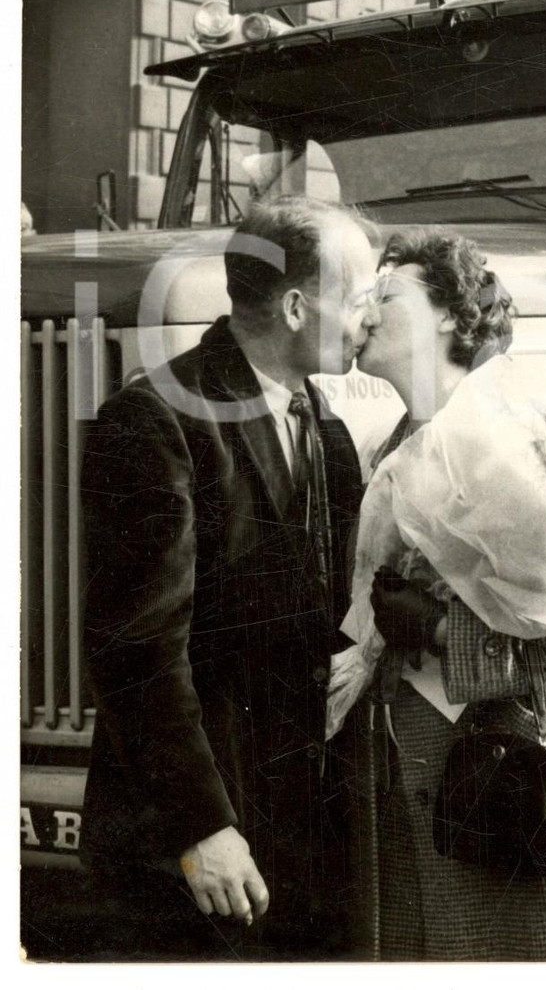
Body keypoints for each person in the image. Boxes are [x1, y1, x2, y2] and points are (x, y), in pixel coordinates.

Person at [347, 230, 546, 961]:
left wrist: (433, 633)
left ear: (454, 319)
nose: (366, 311)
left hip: (521, 810)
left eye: (388, 294)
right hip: (436, 815)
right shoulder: (393, 446)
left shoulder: (523, 432)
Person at [80, 194, 378, 959]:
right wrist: (202, 828)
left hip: (299, 836)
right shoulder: (152, 424)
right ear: (294, 306)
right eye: (359, 298)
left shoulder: (324, 423)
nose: (368, 321)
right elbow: (136, 654)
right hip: (200, 853)